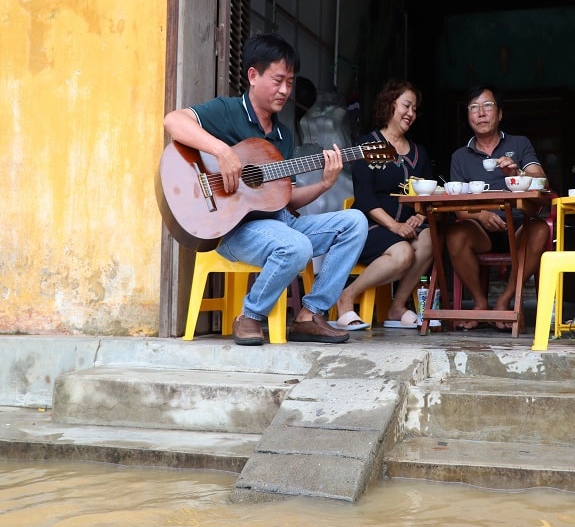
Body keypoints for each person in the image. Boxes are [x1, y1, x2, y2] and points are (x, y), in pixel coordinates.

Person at [163, 33, 368, 345]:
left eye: (290, 82)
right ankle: (250, 315)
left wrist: (325, 184)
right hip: (233, 229)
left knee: (354, 222)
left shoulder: (283, 136)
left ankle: (308, 315)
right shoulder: (228, 111)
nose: (285, 90)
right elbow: (173, 121)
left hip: (281, 224)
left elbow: (285, 198)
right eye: (278, 80)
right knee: (297, 246)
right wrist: (222, 151)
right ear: (253, 76)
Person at [446, 84, 551, 331]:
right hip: (480, 231)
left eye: (488, 105)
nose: (481, 113)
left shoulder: (519, 143)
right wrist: (481, 215)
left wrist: (518, 171)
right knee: (454, 234)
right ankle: (480, 303)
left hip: (518, 227)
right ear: (468, 116)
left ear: (500, 113)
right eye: (474, 107)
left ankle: (505, 301)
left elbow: (542, 180)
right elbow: (458, 207)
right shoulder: (460, 157)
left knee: (540, 231)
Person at [333, 79, 434, 330]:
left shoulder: (419, 153)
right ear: (390, 104)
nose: (410, 113)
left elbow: (429, 193)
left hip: (405, 227)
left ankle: (396, 307)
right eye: (406, 106)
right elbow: (364, 197)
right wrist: (395, 225)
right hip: (369, 227)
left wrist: (419, 217)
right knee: (403, 252)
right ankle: (347, 297)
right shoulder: (367, 145)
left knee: (430, 237)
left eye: (414, 109)